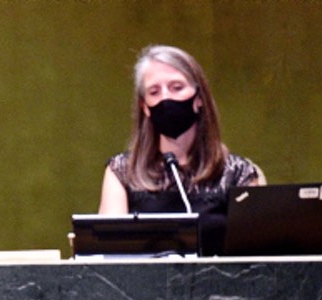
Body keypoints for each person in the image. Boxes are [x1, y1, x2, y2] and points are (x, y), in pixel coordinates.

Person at [98, 45, 264, 254]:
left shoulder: (238, 173)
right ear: (145, 107)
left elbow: (258, 262)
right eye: (154, 91)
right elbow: (109, 257)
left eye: (176, 87)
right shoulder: (122, 172)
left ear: (198, 98)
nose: (166, 98)